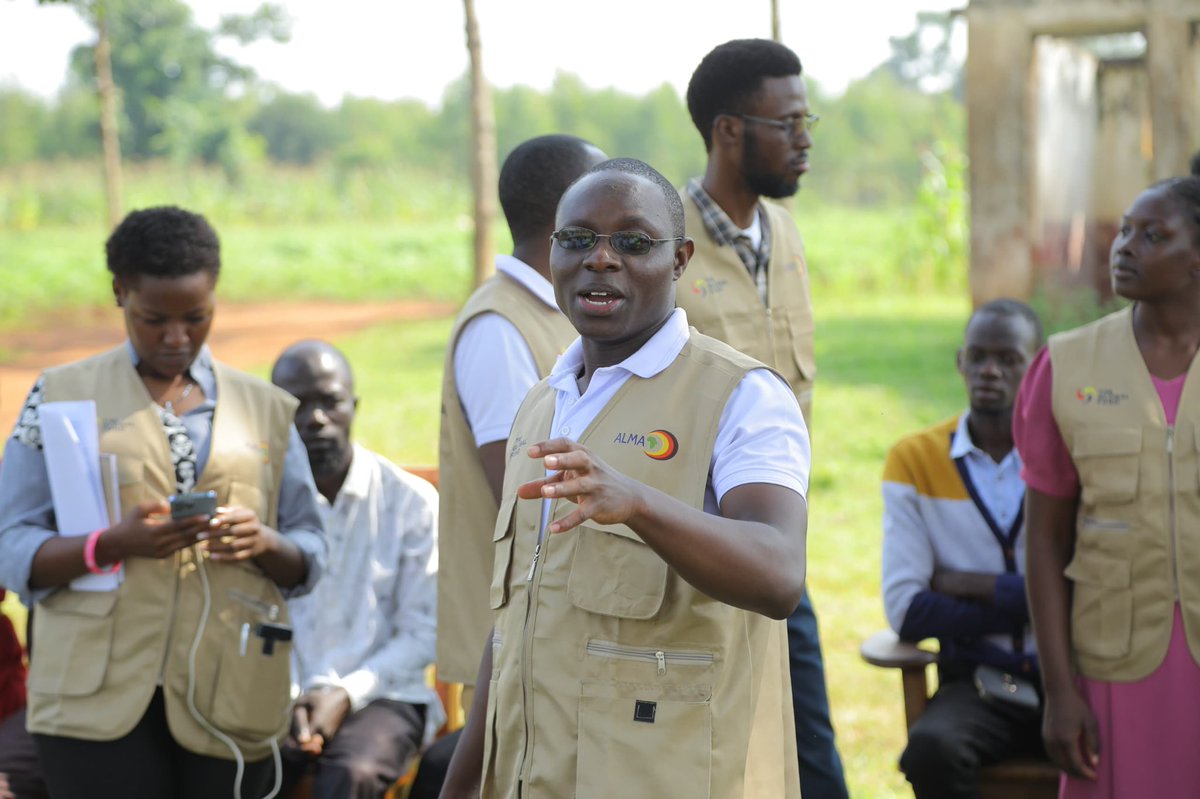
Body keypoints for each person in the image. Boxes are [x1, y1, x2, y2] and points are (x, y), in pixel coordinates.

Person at [440, 157, 809, 799]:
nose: (601, 259)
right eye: (577, 240)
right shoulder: (543, 403)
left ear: (680, 259)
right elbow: (517, 624)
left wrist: (640, 504)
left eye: (633, 242)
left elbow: (778, 576)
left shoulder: (741, 396)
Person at [0, 206, 326, 799]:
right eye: (154, 320)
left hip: (229, 700)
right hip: (92, 705)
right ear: (120, 292)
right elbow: (10, 546)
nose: (177, 338)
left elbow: (311, 550)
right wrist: (109, 546)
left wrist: (265, 542)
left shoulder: (266, 408)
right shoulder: (59, 396)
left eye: (196, 318)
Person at [675, 37, 846, 798]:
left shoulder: (785, 233)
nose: (805, 138)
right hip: (694, 556)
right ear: (729, 131)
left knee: (811, 757)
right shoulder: (663, 240)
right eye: (789, 122)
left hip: (777, 545)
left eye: (808, 120)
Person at [1017, 175, 1200, 798]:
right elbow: (1043, 541)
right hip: (1114, 664)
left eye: (1153, 235)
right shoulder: (1066, 365)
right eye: (1125, 230)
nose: (1125, 246)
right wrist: (1060, 692)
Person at [882, 299, 1045, 798]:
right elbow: (908, 612)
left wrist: (969, 585)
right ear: (959, 361)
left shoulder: (1067, 454)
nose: (989, 371)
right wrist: (1037, 603)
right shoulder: (914, 459)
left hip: (1070, 678)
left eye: (1008, 358)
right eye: (977, 356)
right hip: (974, 682)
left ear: (1037, 366)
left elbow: (1090, 594)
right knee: (931, 749)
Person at [271, 340, 442, 799]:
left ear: (354, 406)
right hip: (274, 694)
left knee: (354, 773)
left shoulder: (411, 502)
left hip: (385, 694)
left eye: (330, 402)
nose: (315, 419)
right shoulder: (253, 506)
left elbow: (423, 632)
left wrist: (344, 694)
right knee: (240, 767)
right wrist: (291, 698)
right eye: (295, 405)